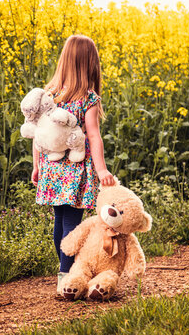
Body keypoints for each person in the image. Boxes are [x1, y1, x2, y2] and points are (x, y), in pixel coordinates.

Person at [30, 34, 115, 295]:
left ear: (65, 60)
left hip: (52, 169)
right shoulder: (88, 98)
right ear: (90, 63)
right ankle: (67, 277)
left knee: (60, 221)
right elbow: (93, 136)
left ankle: (65, 273)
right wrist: (101, 170)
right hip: (76, 172)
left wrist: (37, 166)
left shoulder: (50, 95)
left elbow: (38, 135)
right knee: (72, 226)